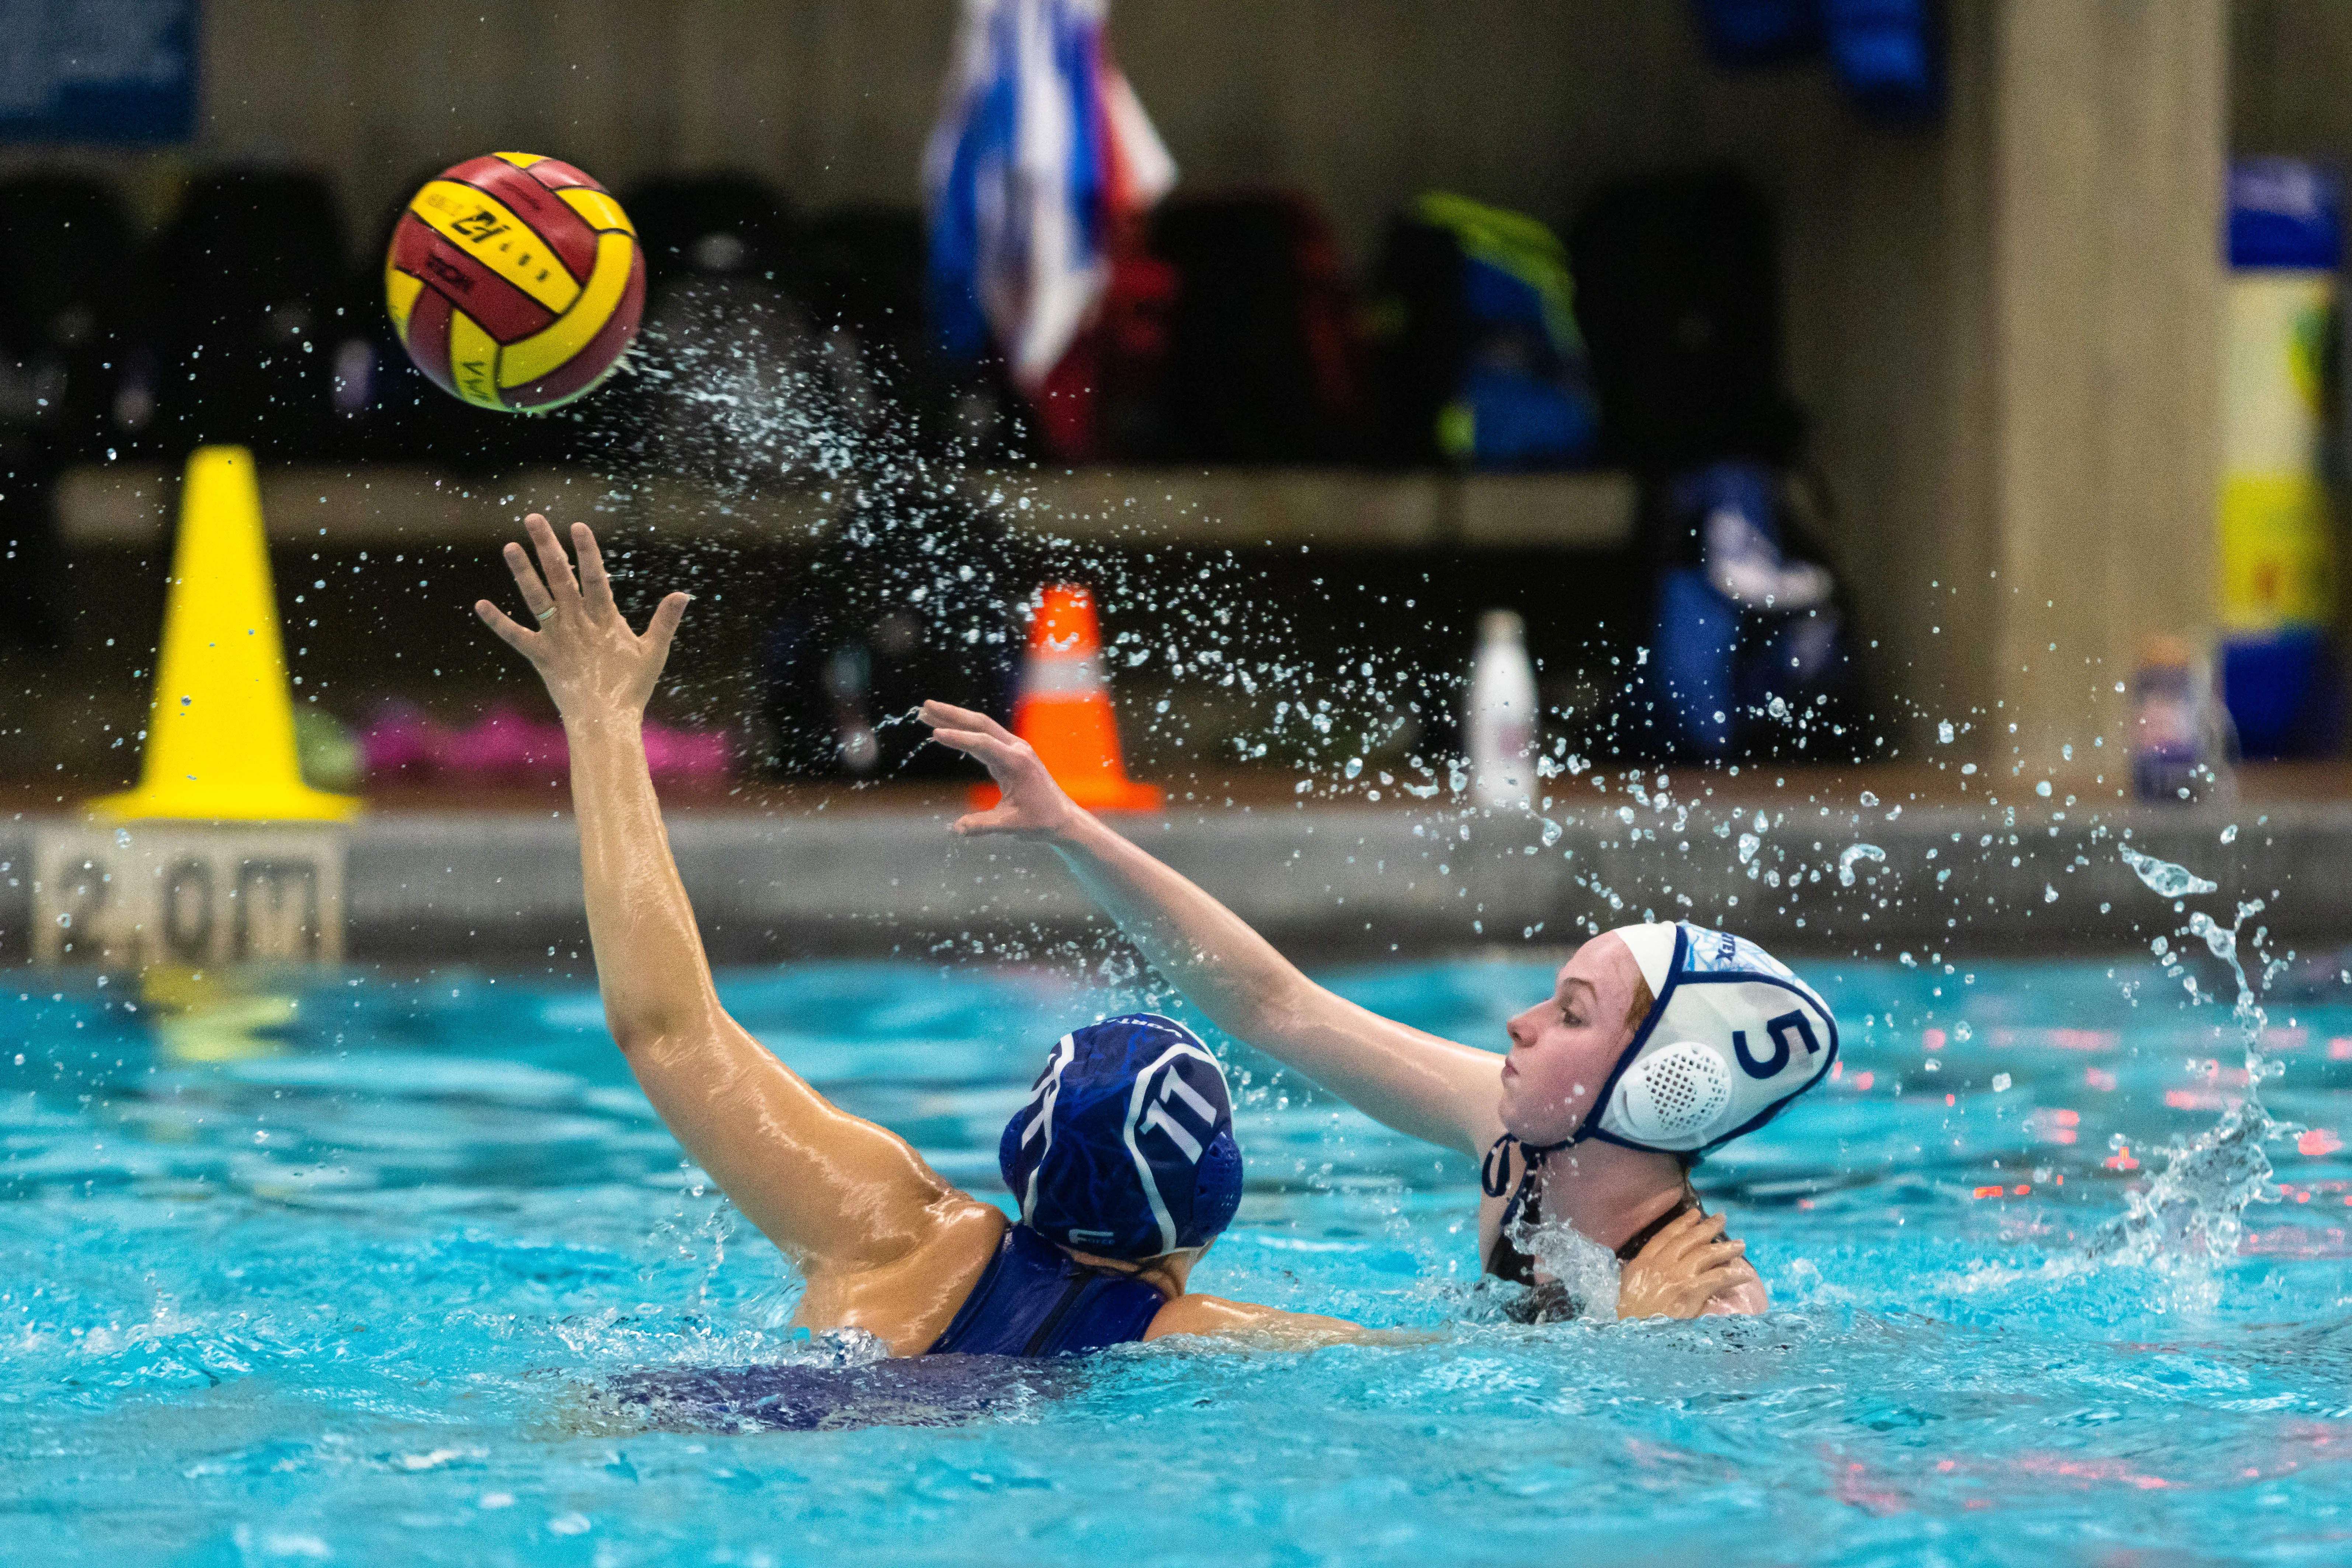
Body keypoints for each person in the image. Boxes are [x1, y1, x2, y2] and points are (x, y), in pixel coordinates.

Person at [474, 516, 1746, 1359]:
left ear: (1020, 1147)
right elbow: (1466, 1372)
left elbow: (664, 1026)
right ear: (1215, 1209)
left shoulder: (876, 1221)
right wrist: (1656, 1317)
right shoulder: (1193, 1338)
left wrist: (600, 718)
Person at [921, 699, 1842, 1317]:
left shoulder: (1708, 1301)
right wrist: (1070, 829)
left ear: (1656, 1088)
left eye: (1569, 1014)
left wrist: (1640, 1345)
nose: (1519, 1023)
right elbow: (1272, 1003)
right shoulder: (1511, 1137)